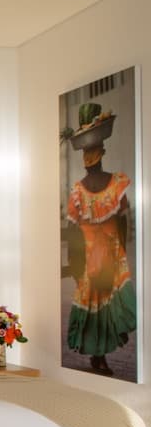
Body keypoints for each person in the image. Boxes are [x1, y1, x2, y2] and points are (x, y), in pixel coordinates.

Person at [65, 141, 137, 376]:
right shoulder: (116, 184)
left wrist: (74, 263)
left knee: (95, 305)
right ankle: (99, 355)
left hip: (90, 259)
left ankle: (99, 355)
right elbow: (123, 222)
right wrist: (119, 248)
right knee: (107, 303)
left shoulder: (78, 191)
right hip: (109, 255)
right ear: (102, 154)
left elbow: (72, 230)